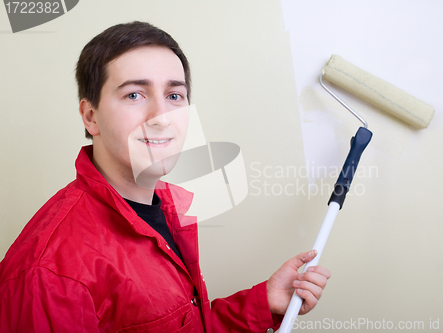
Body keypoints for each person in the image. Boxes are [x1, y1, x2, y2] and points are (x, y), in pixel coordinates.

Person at [0, 21, 330, 332]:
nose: (161, 118)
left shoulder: (169, 205)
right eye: (134, 94)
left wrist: (264, 302)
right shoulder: (48, 273)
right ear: (91, 117)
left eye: (174, 96)